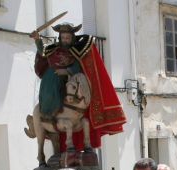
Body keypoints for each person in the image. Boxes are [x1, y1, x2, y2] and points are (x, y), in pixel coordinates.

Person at [30, 23, 125, 154]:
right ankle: (48, 116)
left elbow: (78, 67)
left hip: (68, 79)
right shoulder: (54, 49)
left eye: (68, 38)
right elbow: (43, 51)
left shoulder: (76, 51)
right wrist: (37, 39)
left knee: (77, 94)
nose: (65, 40)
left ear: (72, 38)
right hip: (50, 80)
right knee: (50, 94)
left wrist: (66, 71)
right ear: (60, 37)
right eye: (63, 38)